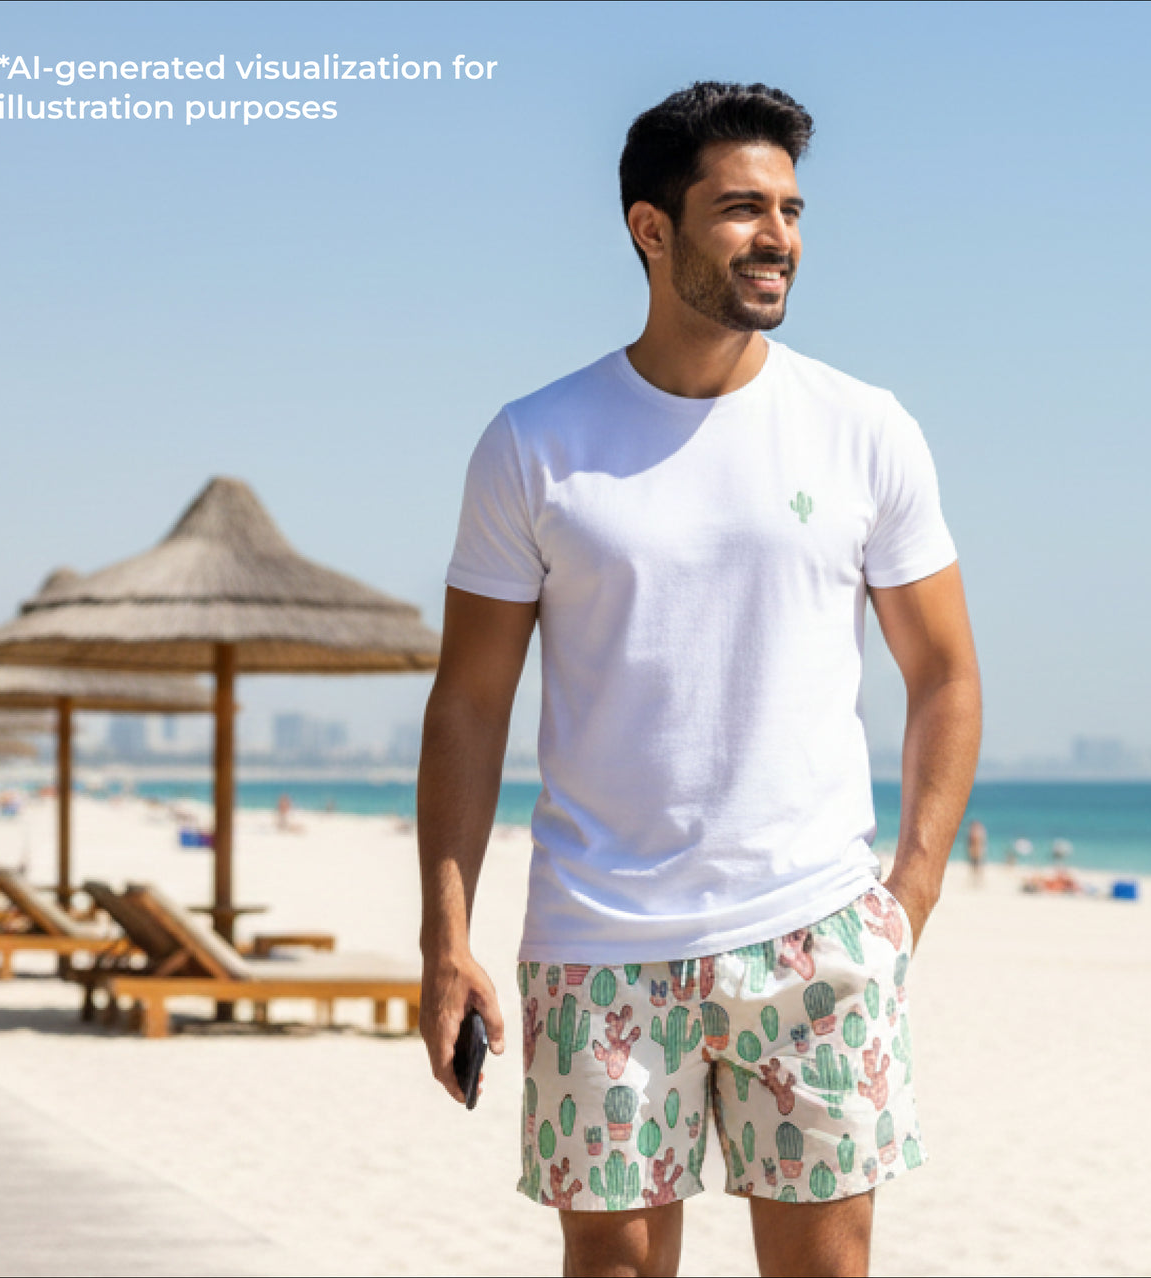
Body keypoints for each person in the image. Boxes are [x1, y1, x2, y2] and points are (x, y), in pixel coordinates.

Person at [415, 81, 981, 1278]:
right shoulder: (535, 442)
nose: (776, 235)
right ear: (650, 228)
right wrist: (445, 939)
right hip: (596, 937)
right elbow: (469, 704)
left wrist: (908, 896)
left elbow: (943, 674)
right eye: (738, 208)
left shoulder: (862, 427)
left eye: (788, 207)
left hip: (815, 933)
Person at [966, 819, 987, 885]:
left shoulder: (977, 833)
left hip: (977, 852)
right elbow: (970, 843)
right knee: (975, 866)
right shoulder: (974, 833)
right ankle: (976, 880)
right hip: (975, 852)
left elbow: (982, 843)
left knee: (977, 866)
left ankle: (978, 880)